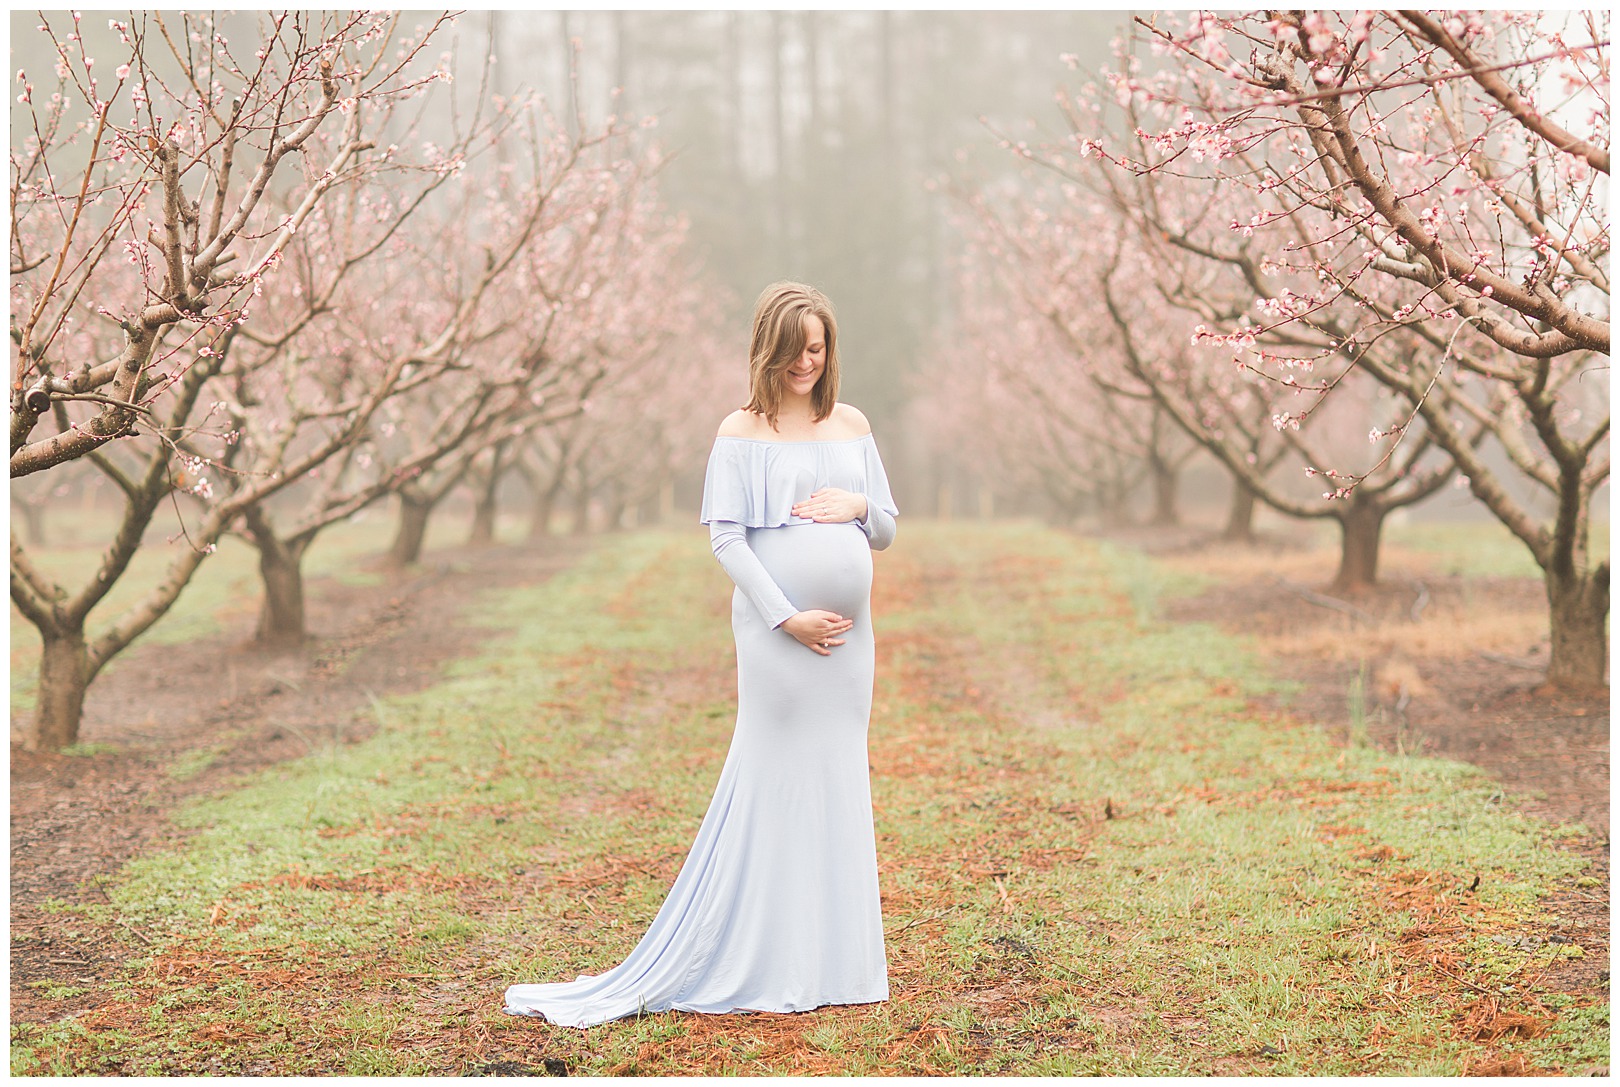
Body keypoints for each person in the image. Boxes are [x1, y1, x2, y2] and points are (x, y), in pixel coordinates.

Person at [503, 281, 898, 1027]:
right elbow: (726, 540)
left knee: (838, 776)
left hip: (849, 649)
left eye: (817, 348)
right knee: (776, 778)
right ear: (769, 350)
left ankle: (839, 961)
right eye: (794, 350)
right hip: (780, 642)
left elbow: (886, 530)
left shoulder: (851, 424)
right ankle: (769, 954)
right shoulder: (741, 431)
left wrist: (860, 506)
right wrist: (788, 618)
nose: (806, 362)